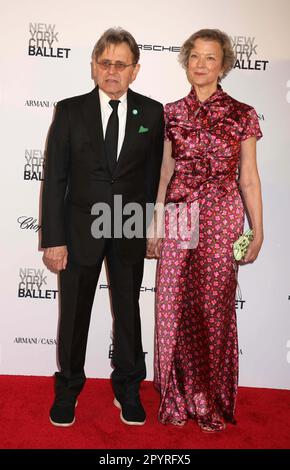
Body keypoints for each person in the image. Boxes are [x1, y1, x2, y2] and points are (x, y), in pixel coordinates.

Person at [41, 27, 164, 427]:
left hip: (128, 225)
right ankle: (69, 389)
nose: (112, 70)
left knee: (128, 312)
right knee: (75, 312)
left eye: (121, 64)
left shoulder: (151, 112)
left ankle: (128, 388)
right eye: (105, 62)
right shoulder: (70, 110)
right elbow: (55, 177)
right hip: (79, 229)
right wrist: (54, 239)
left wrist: (150, 226)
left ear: (135, 70)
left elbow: (151, 178)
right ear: (94, 66)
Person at [147, 29, 263, 432]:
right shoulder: (171, 112)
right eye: (194, 56)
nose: (200, 64)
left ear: (224, 65)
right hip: (179, 215)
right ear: (185, 61)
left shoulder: (243, 113)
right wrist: (155, 223)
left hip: (221, 218)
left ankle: (209, 401)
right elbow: (165, 171)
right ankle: (176, 399)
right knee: (172, 307)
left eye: (209, 58)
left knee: (212, 310)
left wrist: (258, 230)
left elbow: (249, 177)